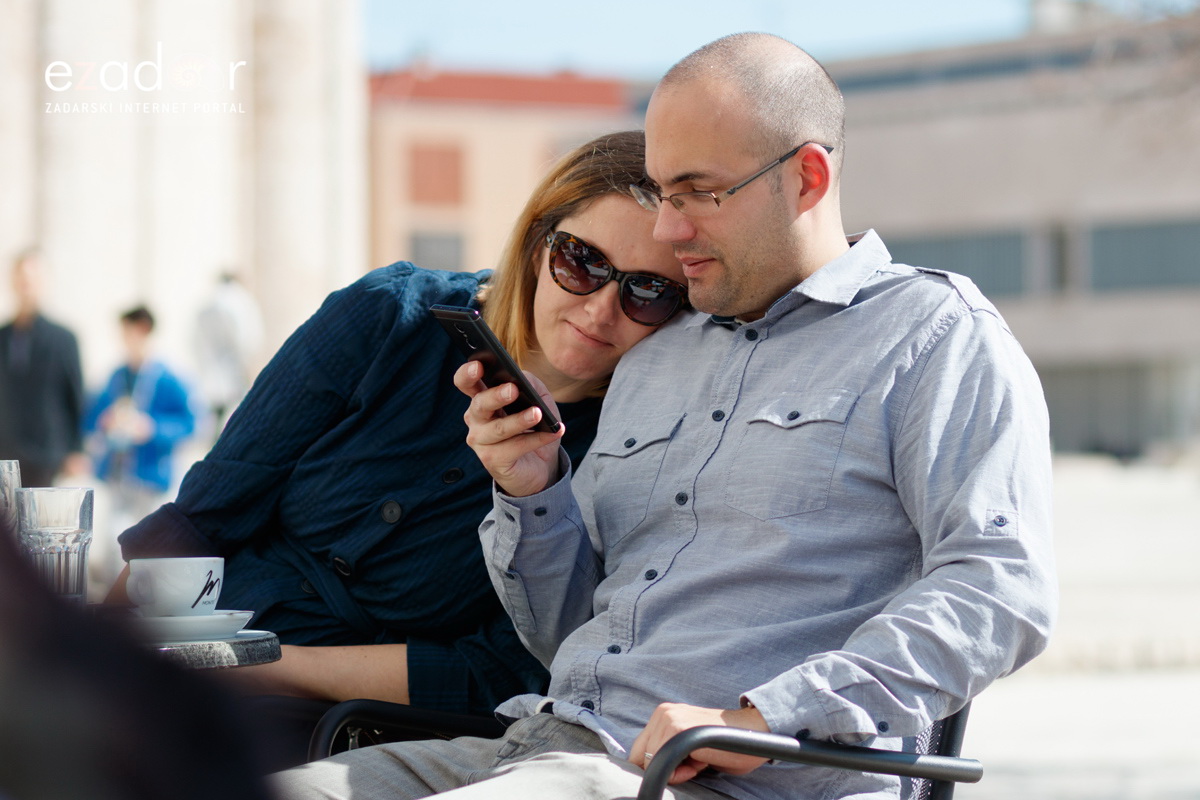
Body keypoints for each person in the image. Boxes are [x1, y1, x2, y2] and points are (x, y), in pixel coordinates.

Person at [275, 33, 1057, 800]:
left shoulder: (934, 338)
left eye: (697, 193)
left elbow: (1001, 589)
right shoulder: (656, 357)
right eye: (661, 192)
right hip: (540, 747)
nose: (666, 229)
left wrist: (762, 718)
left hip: (730, 780)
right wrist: (532, 491)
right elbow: (562, 631)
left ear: (807, 178)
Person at [105, 131, 688, 726]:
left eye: (649, 290)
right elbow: (206, 514)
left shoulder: (634, 453)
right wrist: (89, 649)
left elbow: (496, 672)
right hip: (179, 658)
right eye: (582, 262)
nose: (599, 309)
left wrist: (258, 666)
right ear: (539, 244)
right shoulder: (388, 314)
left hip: (345, 724)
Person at [86, 305, 198, 590]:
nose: (126, 340)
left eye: (131, 333)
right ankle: (116, 605)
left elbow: (192, 423)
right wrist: (106, 421)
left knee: (152, 548)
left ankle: (147, 602)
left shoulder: (168, 378)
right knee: (114, 542)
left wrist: (152, 428)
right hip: (119, 473)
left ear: (145, 332)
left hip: (151, 476)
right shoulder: (117, 376)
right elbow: (93, 416)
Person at [0, 249, 87, 487]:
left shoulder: (63, 338)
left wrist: (77, 450)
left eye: (32, 279)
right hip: (6, 454)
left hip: (48, 455)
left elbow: (76, 397)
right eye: (21, 279)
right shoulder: (3, 336)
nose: (26, 286)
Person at [193, 270, 264, 438]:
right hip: (234, 379)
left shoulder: (207, 303)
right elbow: (248, 343)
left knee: (214, 431)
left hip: (211, 381)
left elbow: (195, 343)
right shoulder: (241, 301)